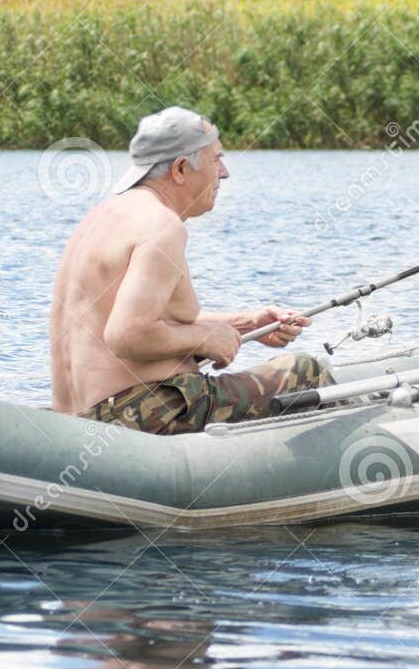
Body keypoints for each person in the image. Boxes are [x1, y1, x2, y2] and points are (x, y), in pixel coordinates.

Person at [48, 106, 331, 434]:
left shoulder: (100, 219)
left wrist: (247, 324)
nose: (224, 172)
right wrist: (205, 337)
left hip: (77, 419)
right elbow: (126, 334)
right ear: (181, 169)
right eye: (216, 159)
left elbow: (143, 319)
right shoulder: (162, 226)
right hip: (136, 412)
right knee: (305, 370)